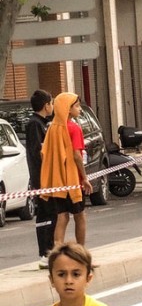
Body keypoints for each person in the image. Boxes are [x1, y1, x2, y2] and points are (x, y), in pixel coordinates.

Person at [41, 93, 92, 249]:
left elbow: (44, 153)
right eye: (76, 106)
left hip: (58, 180)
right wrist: (84, 178)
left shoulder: (52, 128)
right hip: (72, 180)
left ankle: (57, 250)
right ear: (67, 109)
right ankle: (81, 251)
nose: (80, 110)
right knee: (80, 215)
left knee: (62, 216)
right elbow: (77, 156)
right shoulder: (74, 128)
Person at [26, 89, 54, 268]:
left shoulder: (43, 123)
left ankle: (48, 250)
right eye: (51, 103)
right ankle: (45, 252)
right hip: (41, 177)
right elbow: (39, 151)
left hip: (46, 176)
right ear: (46, 105)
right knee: (45, 214)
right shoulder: (35, 124)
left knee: (50, 214)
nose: (52, 107)